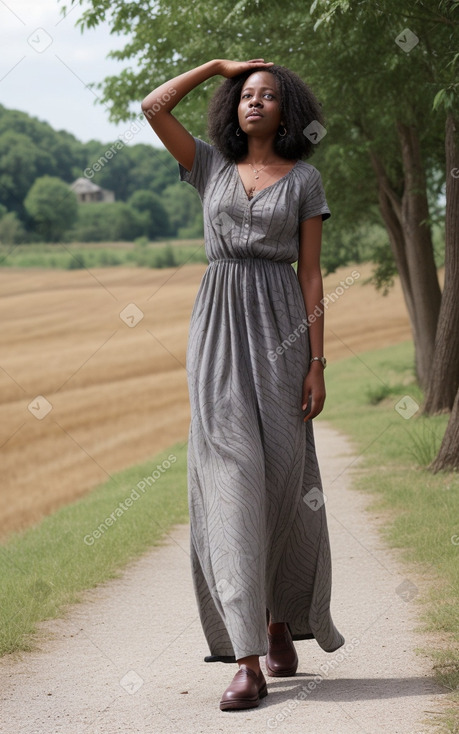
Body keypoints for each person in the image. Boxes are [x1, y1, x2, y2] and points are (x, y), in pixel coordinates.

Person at [141, 58, 344, 711]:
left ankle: (281, 617)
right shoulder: (208, 168)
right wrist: (215, 68)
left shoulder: (305, 180)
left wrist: (315, 363)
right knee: (229, 484)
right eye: (245, 96)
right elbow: (152, 108)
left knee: (282, 482)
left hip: (283, 334)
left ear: (286, 113)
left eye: (267, 96)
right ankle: (247, 659)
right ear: (233, 108)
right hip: (218, 336)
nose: (254, 103)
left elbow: (310, 276)